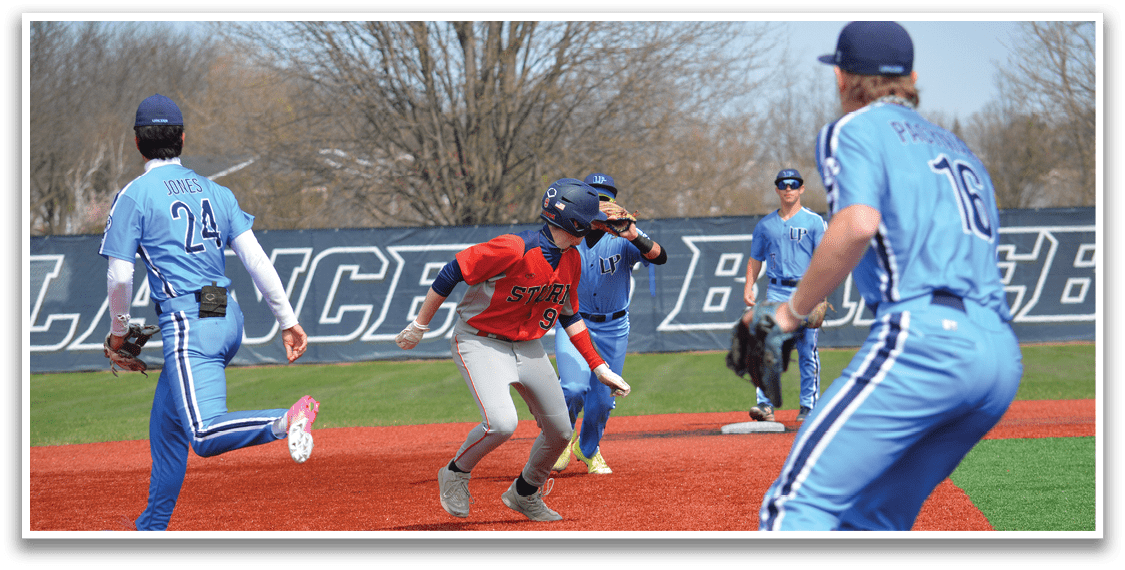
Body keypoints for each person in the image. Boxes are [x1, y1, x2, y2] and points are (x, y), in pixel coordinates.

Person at [757, 22, 1022, 531]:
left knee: (797, 507)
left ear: (841, 78)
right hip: (999, 358)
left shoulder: (854, 128)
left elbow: (857, 224)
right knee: (875, 519)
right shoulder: (961, 151)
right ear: (912, 76)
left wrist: (790, 313)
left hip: (926, 339)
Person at [99, 94, 319, 531]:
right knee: (167, 427)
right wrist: (288, 320)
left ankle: (285, 419)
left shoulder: (134, 196)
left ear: (137, 142)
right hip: (222, 310)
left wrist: (119, 332)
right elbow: (257, 261)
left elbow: (120, 277)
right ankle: (152, 526)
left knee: (202, 434)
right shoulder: (217, 190)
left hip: (187, 323)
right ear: (182, 137)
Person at [395, 178, 632, 522]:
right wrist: (420, 325)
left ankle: (524, 492)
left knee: (561, 431)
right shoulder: (514, 247)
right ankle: (455, 473)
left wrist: (599, 367)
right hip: (480, 340)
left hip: (528, 345)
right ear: (573, 222)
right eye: (591, 217)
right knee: (501, 424)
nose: (597, 222)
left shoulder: (571, 261)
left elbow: (570, 315)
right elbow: (452, 271)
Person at [550, 173, 668, 475]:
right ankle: (561, 440)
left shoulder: (623, 237)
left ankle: (587, 449)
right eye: (596, 197)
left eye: (608, 197)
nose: (603, 202)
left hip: (614, 327)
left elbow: (659, 257)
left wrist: (632, 233)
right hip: (575, 323)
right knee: (574, 388)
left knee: (603, 402)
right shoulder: (570, 235)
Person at [743, 169, 826, 423]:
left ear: (801, 189)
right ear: (777, 190)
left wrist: (821, 294)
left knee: (806, 351)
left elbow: (825, 260)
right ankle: (765, 406)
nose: (788, 188)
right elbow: (755, 259)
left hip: (805, 290)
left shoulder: (814, 221)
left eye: (794, 184)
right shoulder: (765, 225)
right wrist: (749, 285)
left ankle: (808, 407)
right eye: (783, 184)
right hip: (776, 290)